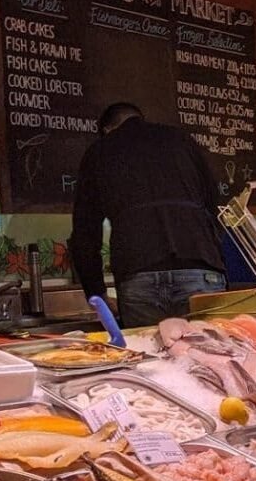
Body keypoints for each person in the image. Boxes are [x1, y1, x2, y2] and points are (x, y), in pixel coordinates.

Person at [70, 103, 226, 328]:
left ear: (106, 129)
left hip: (138, 274)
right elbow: (214, 207)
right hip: (199, 266)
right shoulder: (183, 141)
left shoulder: (100, 151)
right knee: (209, 355)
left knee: (148, 357)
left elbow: (86, 232)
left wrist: (97, 293)